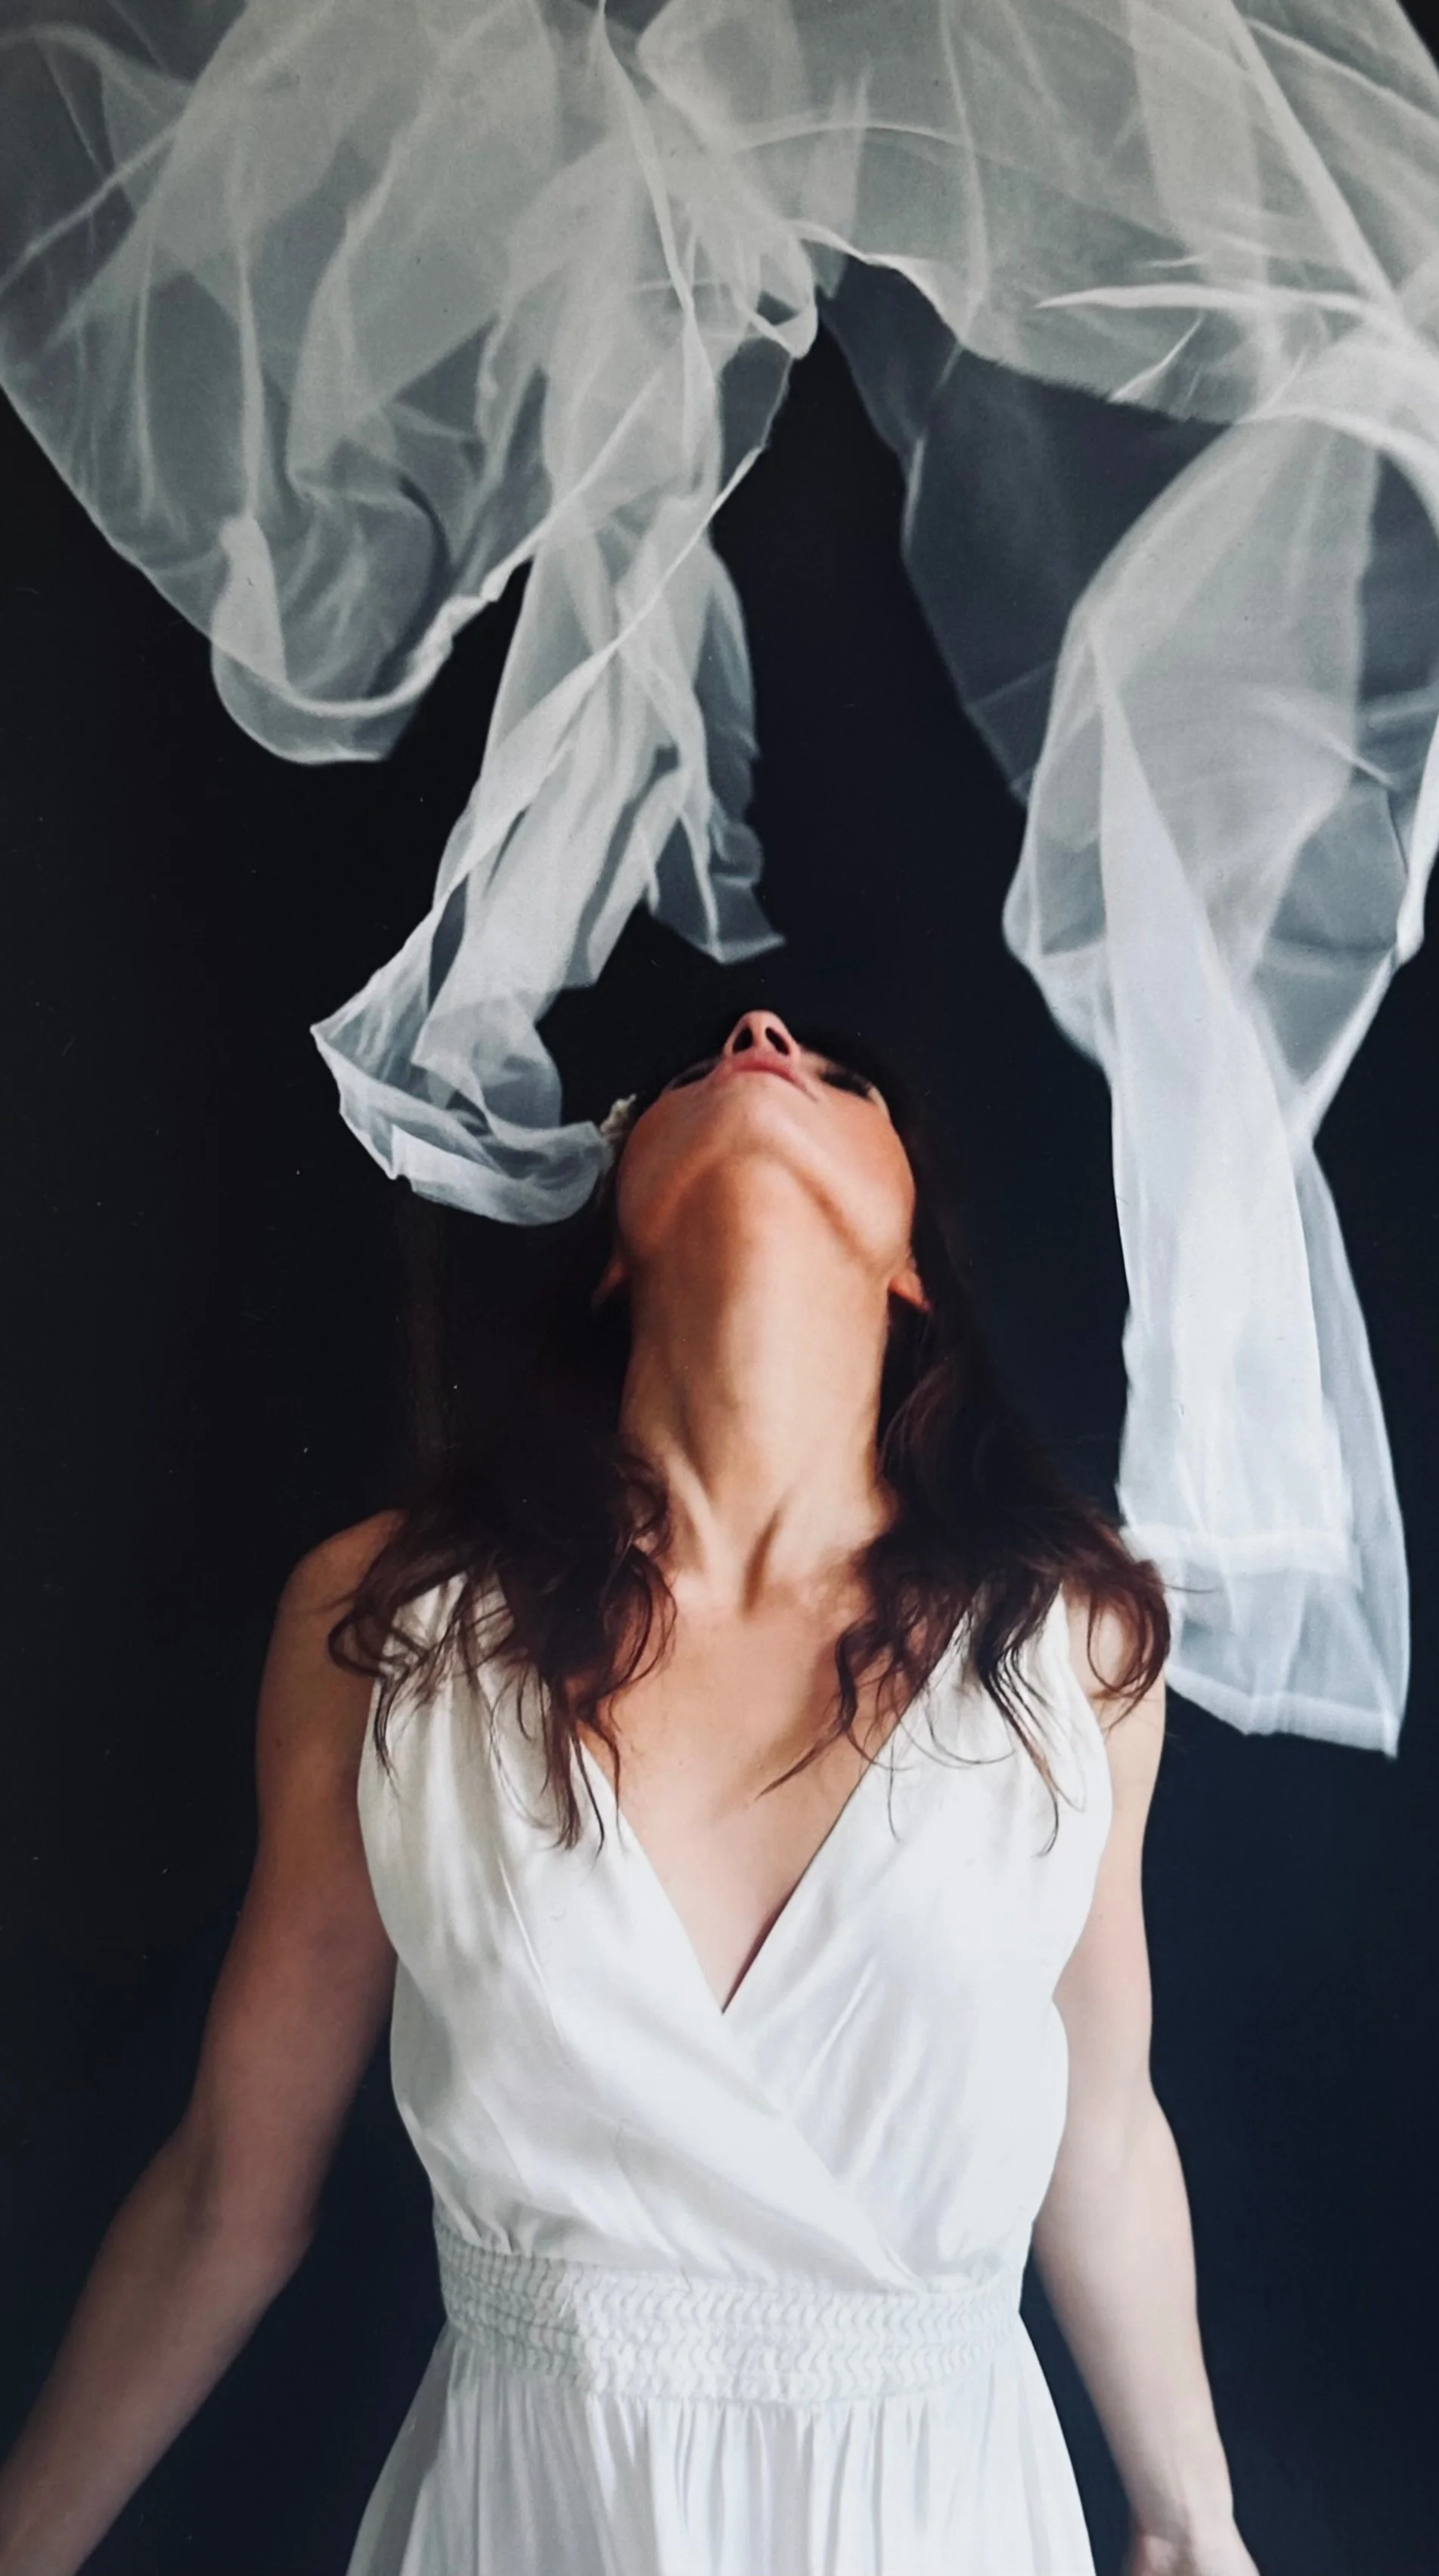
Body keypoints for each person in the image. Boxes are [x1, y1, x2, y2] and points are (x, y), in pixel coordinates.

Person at [0, 1009, 1261, 2576]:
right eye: (691, 1067)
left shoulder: (1072, 1641)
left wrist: (1186, 2517)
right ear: (608, 1251)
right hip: (536, 2514)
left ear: (911, 1263)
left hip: (934, 2516)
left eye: (838, 1073)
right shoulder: (386, 1626)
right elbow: (229, 2180)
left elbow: (1102, 2123)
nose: (760, 1034)